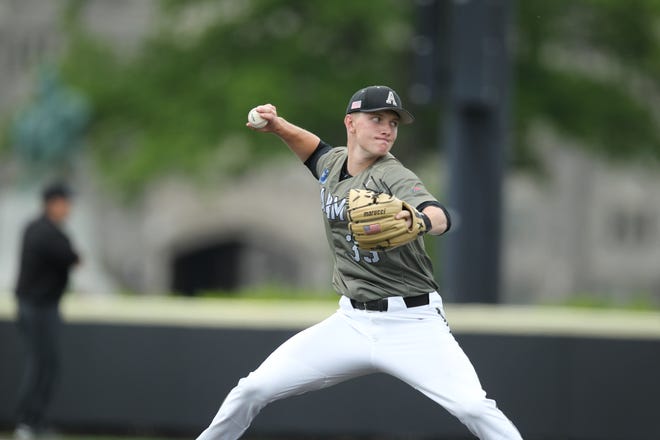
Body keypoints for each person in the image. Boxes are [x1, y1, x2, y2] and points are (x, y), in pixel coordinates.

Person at [197, 86, 522, 439]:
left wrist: (422, 221)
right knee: (252, 389)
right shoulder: (334, 163)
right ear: (351, 123)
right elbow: (314, 151)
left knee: (474, 407)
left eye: (393, 123)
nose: (387, 129)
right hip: (351, 322)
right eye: (377, 119)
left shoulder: (392, 174)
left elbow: (438, 213)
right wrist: (278, 126)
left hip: (412, 322)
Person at [14, 182, 80, 440]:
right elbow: (70, 256)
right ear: (54, 203)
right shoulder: (40, 230)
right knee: (39, 363)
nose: (69, 208)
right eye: (65, 202)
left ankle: (37, 421)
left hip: (47, 307)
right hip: (35, 307)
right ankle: (26, 421)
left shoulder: (52, 231)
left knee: (48, 364)